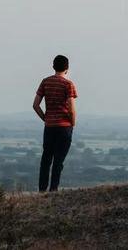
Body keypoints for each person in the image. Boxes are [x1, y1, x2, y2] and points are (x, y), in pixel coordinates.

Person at [33, 55, 78, 192]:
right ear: (67, 68)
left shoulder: (45, 82)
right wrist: (73, 122)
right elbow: (71, 107)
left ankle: (42, 190)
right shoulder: (68, 84)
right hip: (64, 127)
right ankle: (53, 190)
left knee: (46, 159)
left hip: (49, 127)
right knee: (58, 161)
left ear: (53, 66)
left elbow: (35, 105)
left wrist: (46, 119)